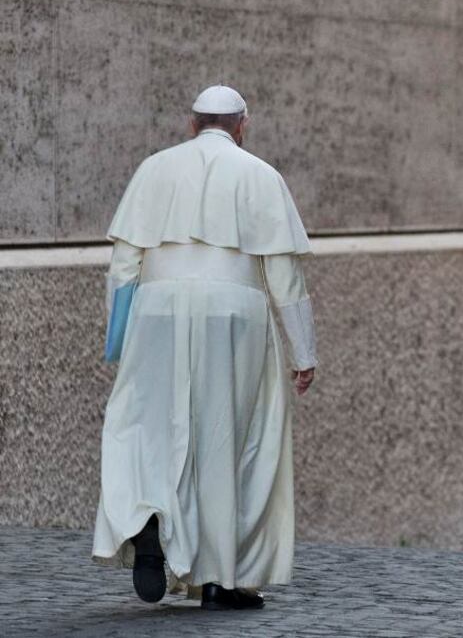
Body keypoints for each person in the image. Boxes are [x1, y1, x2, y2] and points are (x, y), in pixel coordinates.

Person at [90, 85, 318, 611]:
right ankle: (220, 578)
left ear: (191, 125)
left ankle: (147, 515)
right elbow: (284, 275)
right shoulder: (261, 175)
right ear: (243, 126)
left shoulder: (154, 169)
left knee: (146, 426)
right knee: (234, 442)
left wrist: (121, 342)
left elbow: (124, 264)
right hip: (235, 311)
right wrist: (303, 353)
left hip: (156, 308)